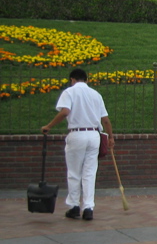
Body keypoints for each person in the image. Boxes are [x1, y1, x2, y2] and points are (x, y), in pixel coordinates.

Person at [40, 68, 114, 221]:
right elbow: (105, 120)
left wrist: (49, 126)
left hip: (77, 133)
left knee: (74, 172)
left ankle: (74, 206)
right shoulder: (96, 94)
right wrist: (111, 137)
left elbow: (65, 112)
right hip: (94, 135)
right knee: (90, 173)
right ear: (86, 80)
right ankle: (88, 208)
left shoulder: (69, 92)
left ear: (72, 79)